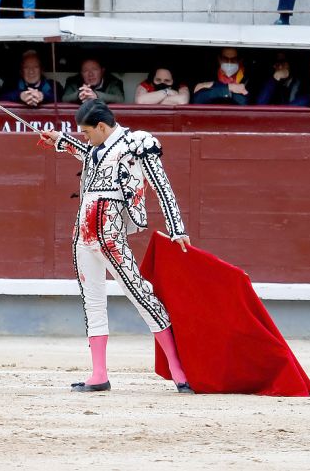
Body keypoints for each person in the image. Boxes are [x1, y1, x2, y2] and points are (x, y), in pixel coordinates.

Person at [38, 101, 193, 394]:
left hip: (110, 235)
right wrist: (61, 142)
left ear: (101, 127)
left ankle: (177, 368)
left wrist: (177, 228)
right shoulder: (98, 148)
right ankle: (98, 374)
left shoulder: (137, 143)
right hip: (83, 235)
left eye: (86, 132)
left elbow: (161, 185)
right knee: (92, 302)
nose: (84, 137)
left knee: (141, 295)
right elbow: (92, 156)